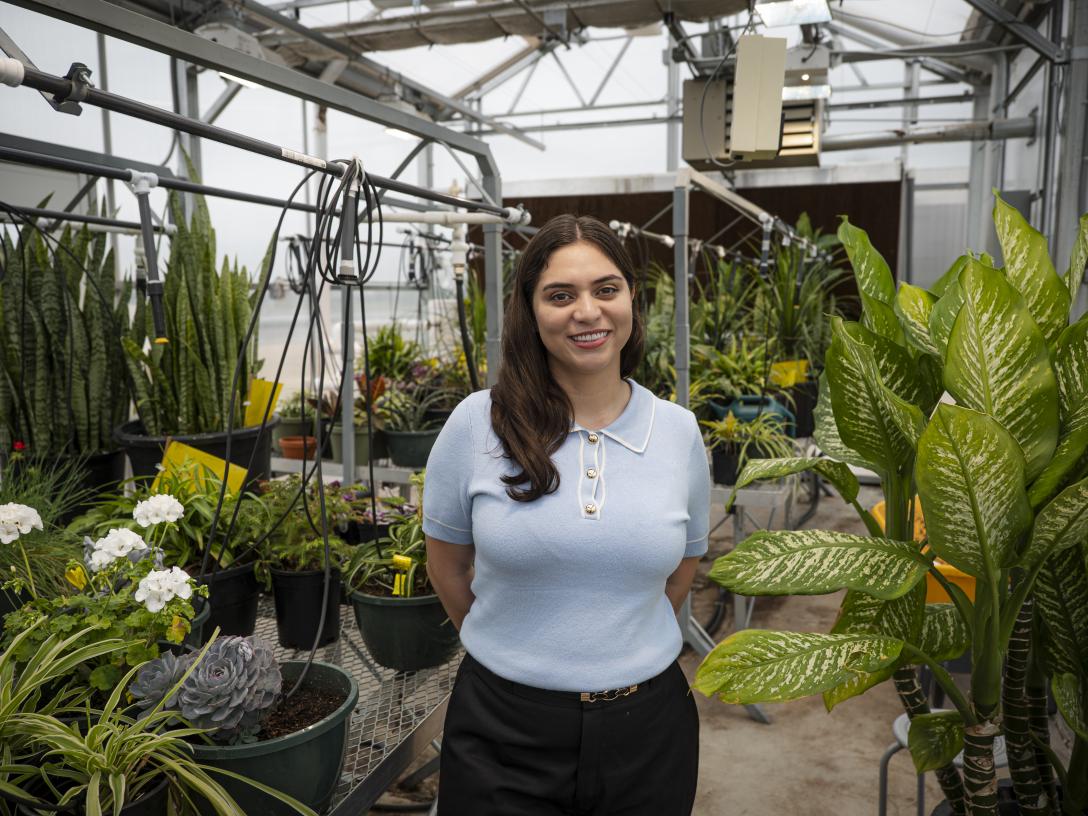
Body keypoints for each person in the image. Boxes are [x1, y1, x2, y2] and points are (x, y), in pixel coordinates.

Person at [422, 213, 711, 816]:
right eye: (561, 295)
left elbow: (682, 570)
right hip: (503, 729)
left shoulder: (678, 433)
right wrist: (516, 646)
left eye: (607, 289)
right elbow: (448, 568)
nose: (588, 312)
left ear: (632, 299)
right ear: (530, 312)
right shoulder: (479, 422)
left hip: (648, 730)